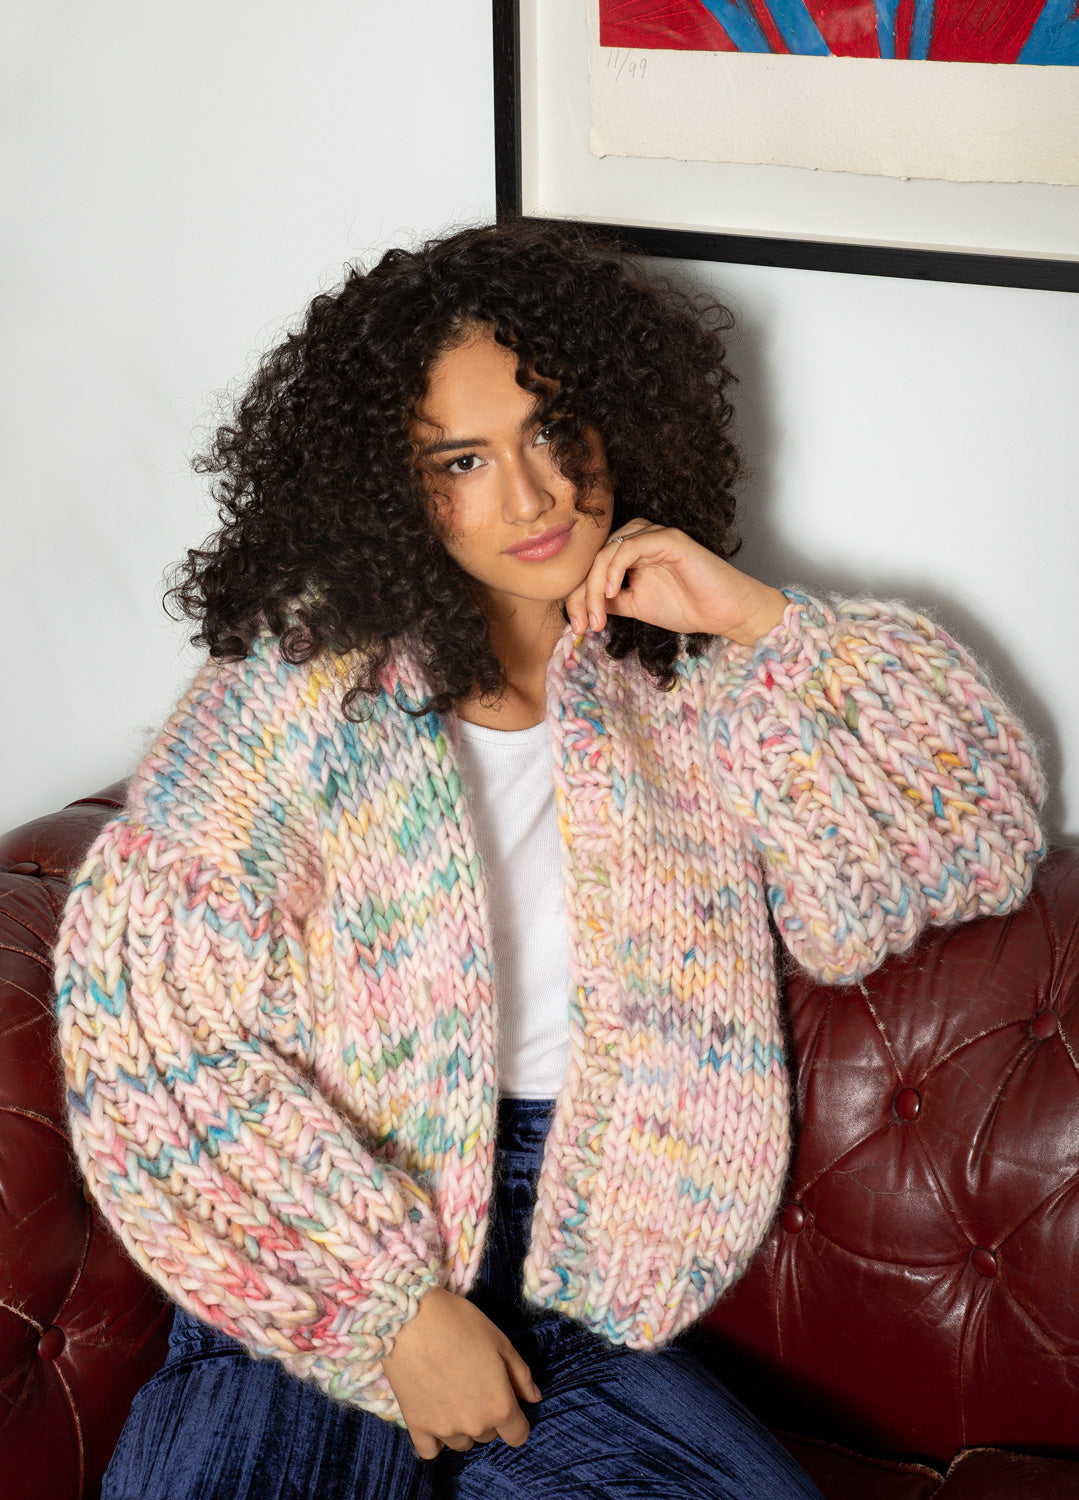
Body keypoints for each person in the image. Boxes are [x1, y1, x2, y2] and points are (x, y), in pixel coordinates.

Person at [54, 219, 1045, 1500]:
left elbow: (971, 834)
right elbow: (143, 1024)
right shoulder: (298, 692)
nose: (531, 497)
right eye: (461, 461)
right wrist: (391, 1311)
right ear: (389, 487)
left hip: (588, 1284)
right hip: (319, 1251)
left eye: (552, 429)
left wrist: (758, 620)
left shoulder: (689, 682)